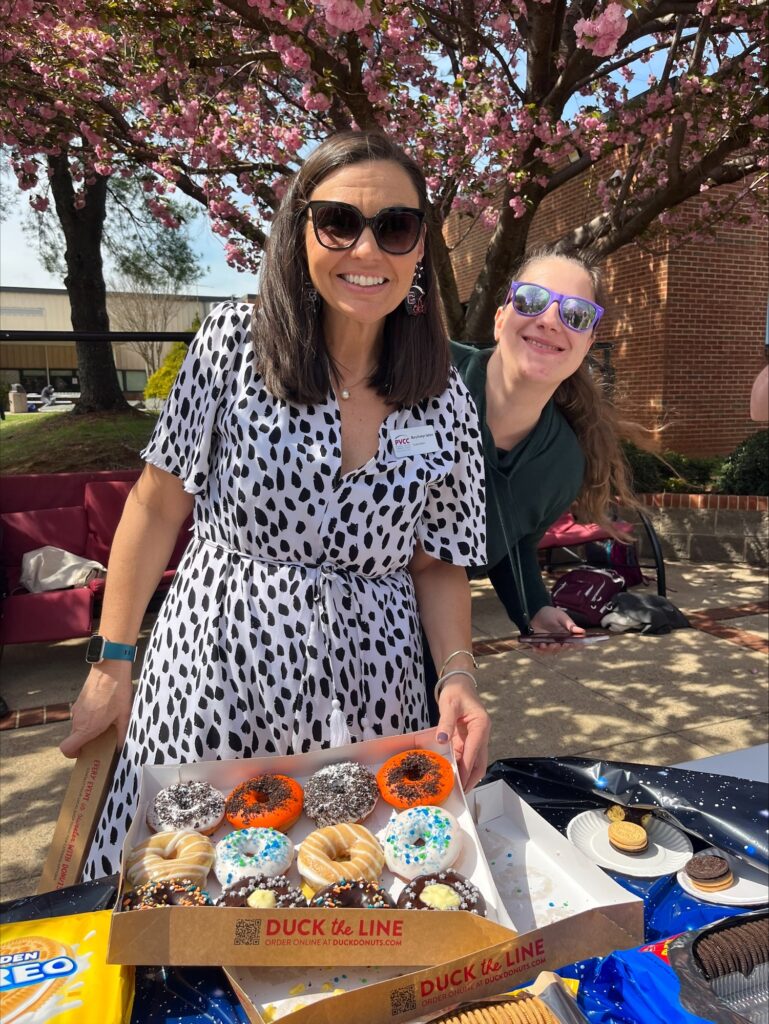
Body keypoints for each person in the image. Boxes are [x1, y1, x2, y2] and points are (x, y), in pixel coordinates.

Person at [60, 130, 490, 879]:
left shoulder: (445, 397)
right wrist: (111, 661)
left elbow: (437, 560)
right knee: (180, 877)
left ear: (420, 247)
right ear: (300, 233)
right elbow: (158, 505)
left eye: (394, 227)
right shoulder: (234, 341)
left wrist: (457, 675)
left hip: (373, 684)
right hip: (216, 664)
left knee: (345, 881)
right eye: (338, 223)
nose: (367, 250)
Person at [425, 245, 637, 720]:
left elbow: (515, 537)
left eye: (576, 314)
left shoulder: (563, 462)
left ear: (587, 343)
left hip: (433, 659)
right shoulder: (425, 373)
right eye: (533, 300)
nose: (549, 319)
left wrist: (536, 610)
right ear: (501, 318)